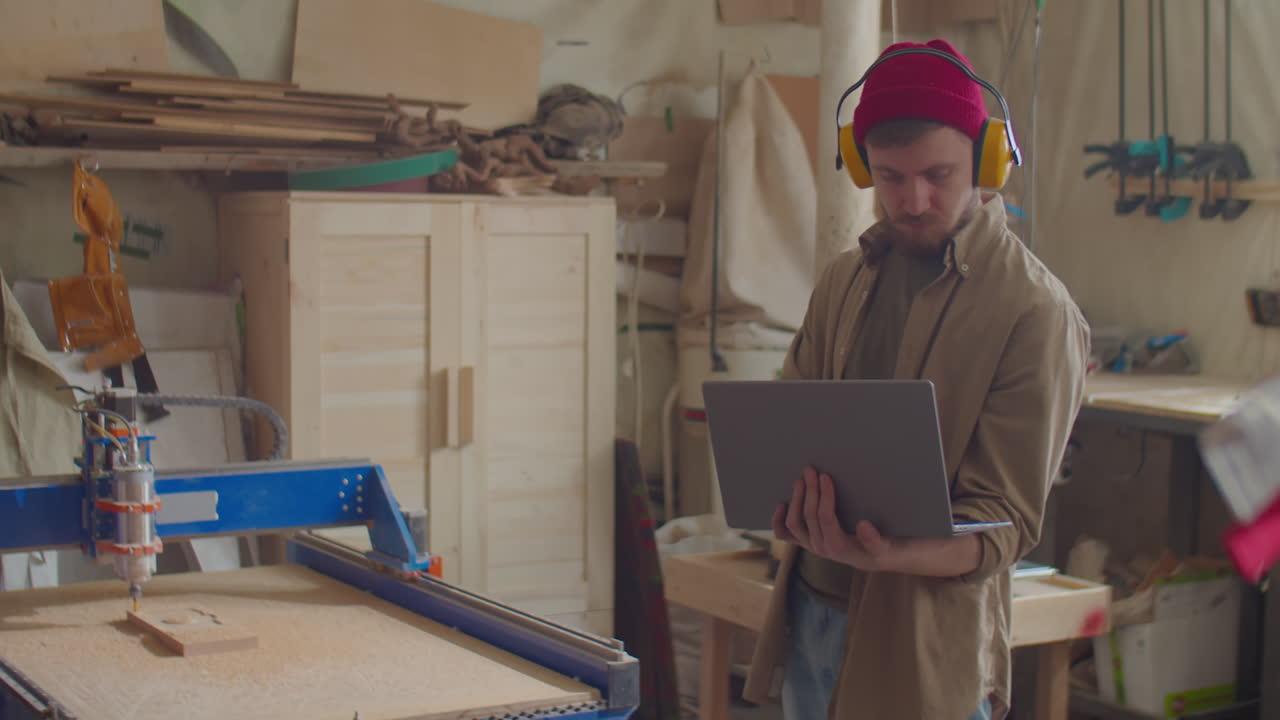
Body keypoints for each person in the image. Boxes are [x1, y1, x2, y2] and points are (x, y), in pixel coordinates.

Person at [741, 38, 1091, 720]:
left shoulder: (1034, 311)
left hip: (923, 644)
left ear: (988, 162)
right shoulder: (844, 280)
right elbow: (788, 433)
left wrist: (887, 553)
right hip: (810, 609)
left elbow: (1005, 527)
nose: (915, 199)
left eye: (939, 174)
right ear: (863, 166)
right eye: (892, 177)